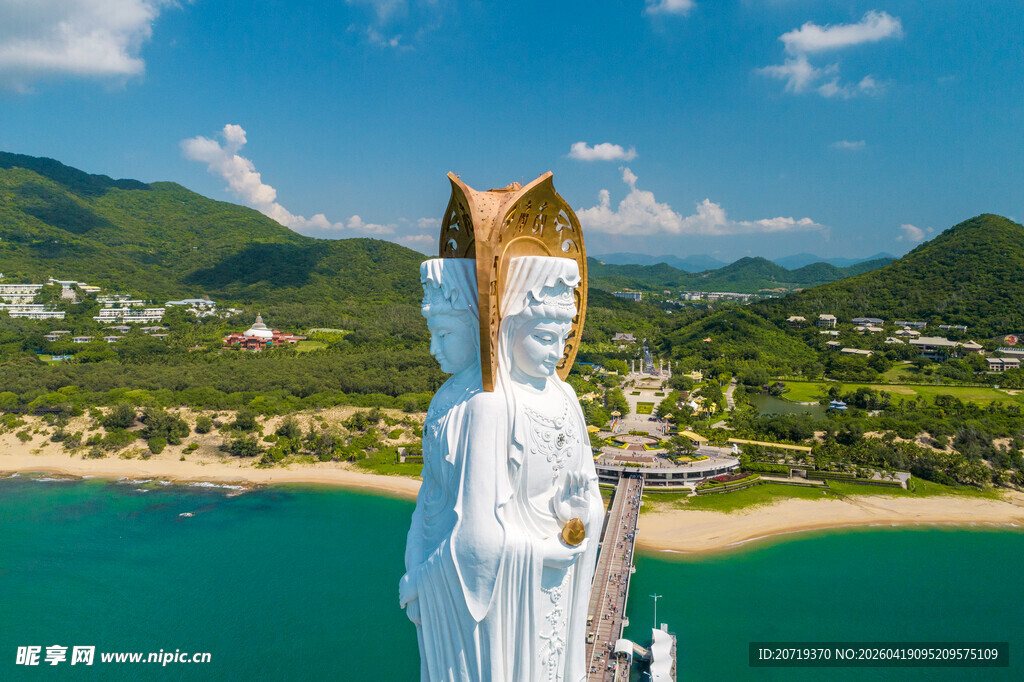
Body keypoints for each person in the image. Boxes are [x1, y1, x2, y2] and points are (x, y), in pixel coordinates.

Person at [401, 255, 603, 681]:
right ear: (507, 329)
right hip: (510, 593)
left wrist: (584, 515)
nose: (558, 352)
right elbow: (459, 525)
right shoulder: (483, 404)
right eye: (545, 337)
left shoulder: (565, 396)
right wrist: (418, 573)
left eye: (562, 339)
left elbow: (587, 491)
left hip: (550, 583)